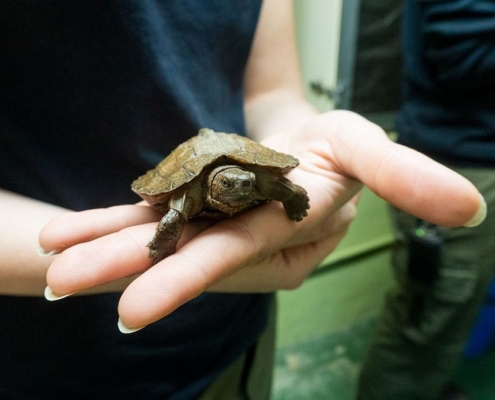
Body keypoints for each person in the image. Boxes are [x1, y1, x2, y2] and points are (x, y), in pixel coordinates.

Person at [0, 1, 485, 399]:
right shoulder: (189, 195)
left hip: (237, 333)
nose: (240, 188)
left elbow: (273, 97)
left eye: (242, 184)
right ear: (212, 186)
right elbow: (172, 213)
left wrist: (297, 192)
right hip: (53, 360)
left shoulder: (256, 181)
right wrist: (157, 248)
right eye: (230, 185)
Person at [357, 1, 495, 399]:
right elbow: (459, 56)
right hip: (456, 166)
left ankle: (429, 384)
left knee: (447, 315)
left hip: (474, 155)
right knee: (424, 320)